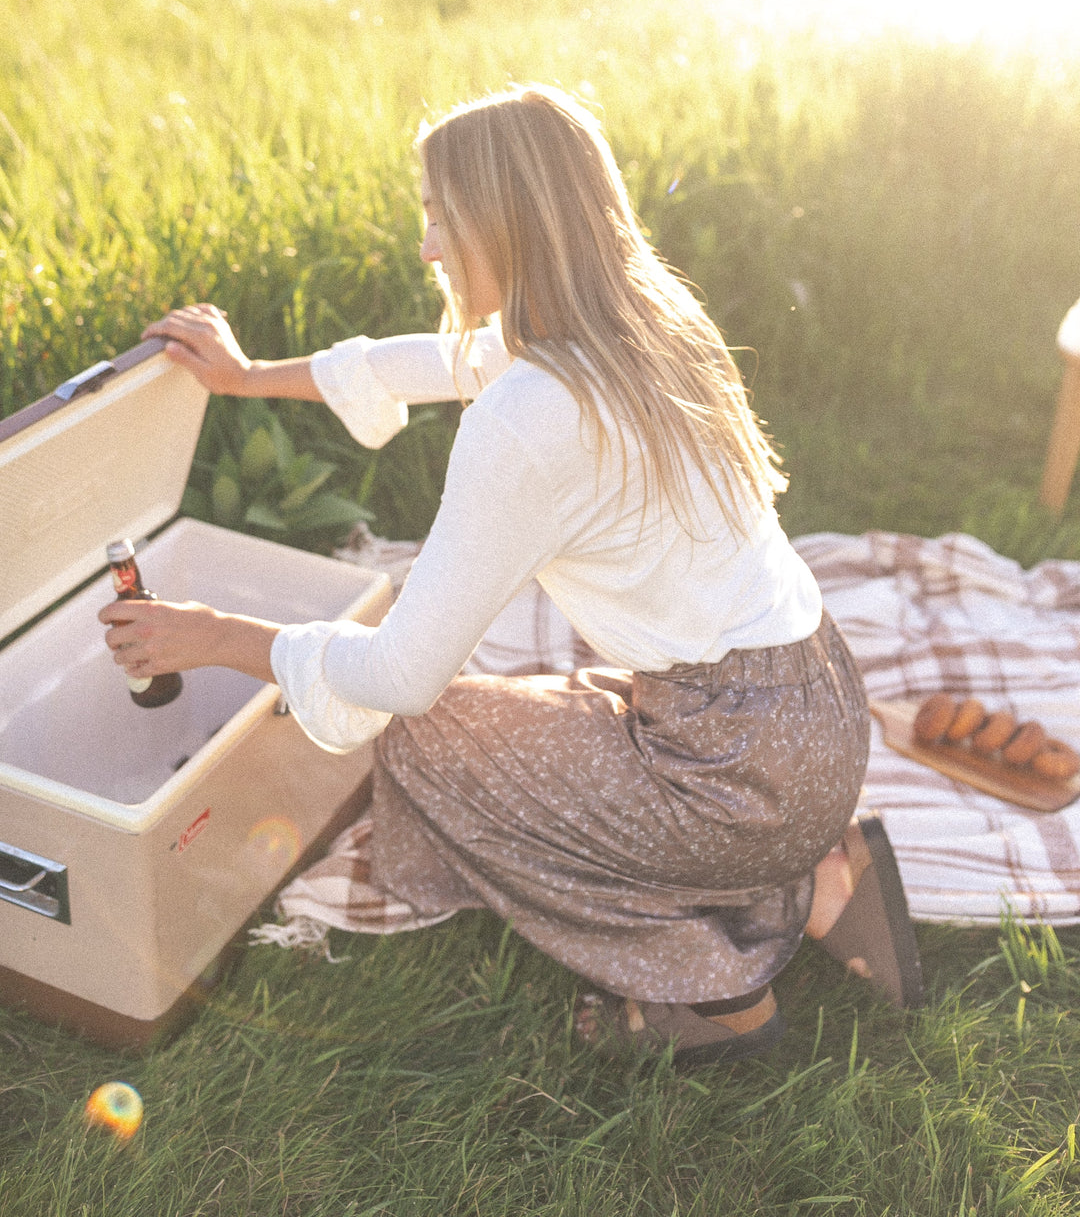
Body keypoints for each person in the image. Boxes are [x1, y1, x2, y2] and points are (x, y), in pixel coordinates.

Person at [100, 83, 923, 1068]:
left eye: (439, 217)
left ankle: (711, 994)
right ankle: (823, 880)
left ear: (505, 218)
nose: (427, 248)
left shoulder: (530, 416)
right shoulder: (647, 322)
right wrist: (248, 375)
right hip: (817, 714)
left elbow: (403, 676)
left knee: (419, 741)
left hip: (734, 768)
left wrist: (216, 638)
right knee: (533, 711)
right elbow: (431, 362)